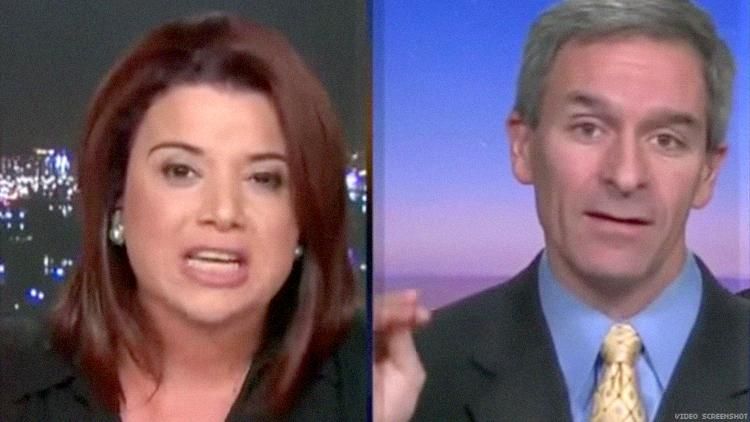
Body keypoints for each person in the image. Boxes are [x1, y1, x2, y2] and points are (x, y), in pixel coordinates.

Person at [375, 0, 749, 421]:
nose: (626, 176)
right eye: (588, 128)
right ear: (523, 147)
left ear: (708, 172)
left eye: (666, 140)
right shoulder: (412, 377)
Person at [0, 13, 365, 421]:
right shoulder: (14, 384)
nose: (223, 212)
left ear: (305, 216)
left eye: (263, 179)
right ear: (117, 197)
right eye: (181, 171)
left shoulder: (364, 388)